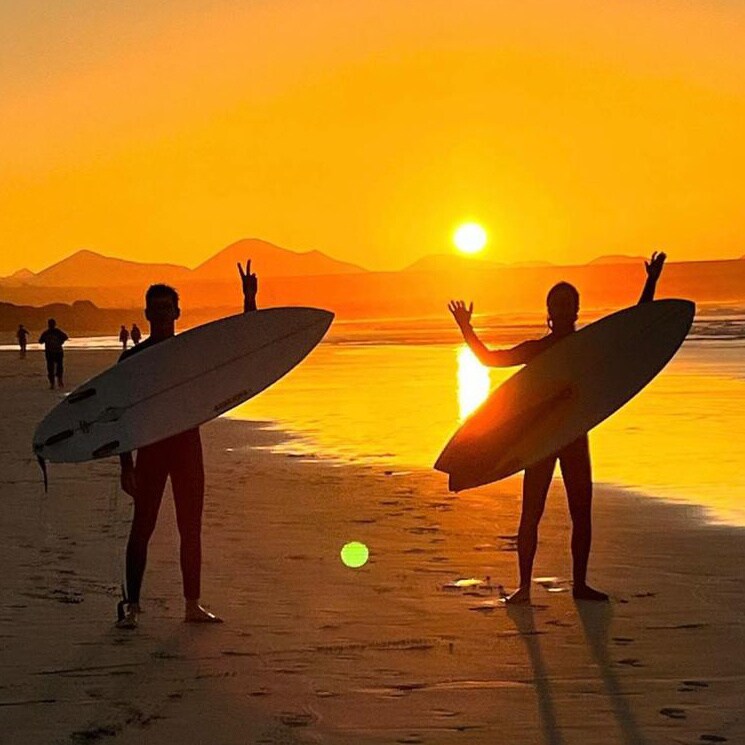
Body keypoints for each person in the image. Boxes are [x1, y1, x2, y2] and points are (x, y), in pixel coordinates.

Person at [448, 252, 667, 604]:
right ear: (550, 312)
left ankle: (580, 585)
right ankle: (523, 586)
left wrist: (651, 282)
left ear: (577, 309)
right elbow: (492, 359)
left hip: (574, 436)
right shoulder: (539, 351)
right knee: (531, 512)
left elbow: (632, 334)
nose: (564, 310)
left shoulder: (589, 349)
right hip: (541, 439)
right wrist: (466, 328)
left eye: (569, 304)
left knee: (582, 512)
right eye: (558, 304)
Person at [115, 260, 258, 629]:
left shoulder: (191, 354)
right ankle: (132, 607)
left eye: (168, 309)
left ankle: (192, 605)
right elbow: (119, 416)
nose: (162, 315)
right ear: (146, 313)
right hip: (150, 449)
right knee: (141, 527)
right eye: (156, 309)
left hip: (186, 449)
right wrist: (125, 465)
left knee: (190, 528)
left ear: (177, 312)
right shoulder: (132, 360)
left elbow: (243, 353)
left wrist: (249, 301)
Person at [38, 318, 69, 389]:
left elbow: (40, 341)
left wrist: (60, 341)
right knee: (56, 367)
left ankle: (55, 383)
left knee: (52, 368)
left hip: (52, 352)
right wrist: (60, 342)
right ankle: (57, 382)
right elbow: (40, 341)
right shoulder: (54, 332)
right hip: (56, 352)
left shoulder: (47, 333)